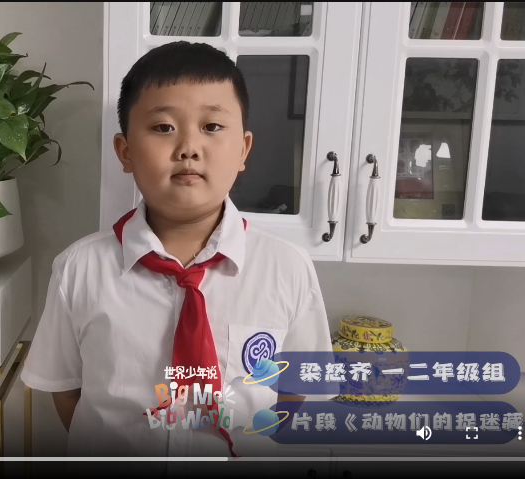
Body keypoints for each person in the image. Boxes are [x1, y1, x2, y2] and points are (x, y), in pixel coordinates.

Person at [21, 41, 332, 462]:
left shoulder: (287, 268)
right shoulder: (79, 269)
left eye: (212, 126)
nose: (188, 147)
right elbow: (65, 390)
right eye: (163, 127)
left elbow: (297, 389)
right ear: (125, 152)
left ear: (243, 149)